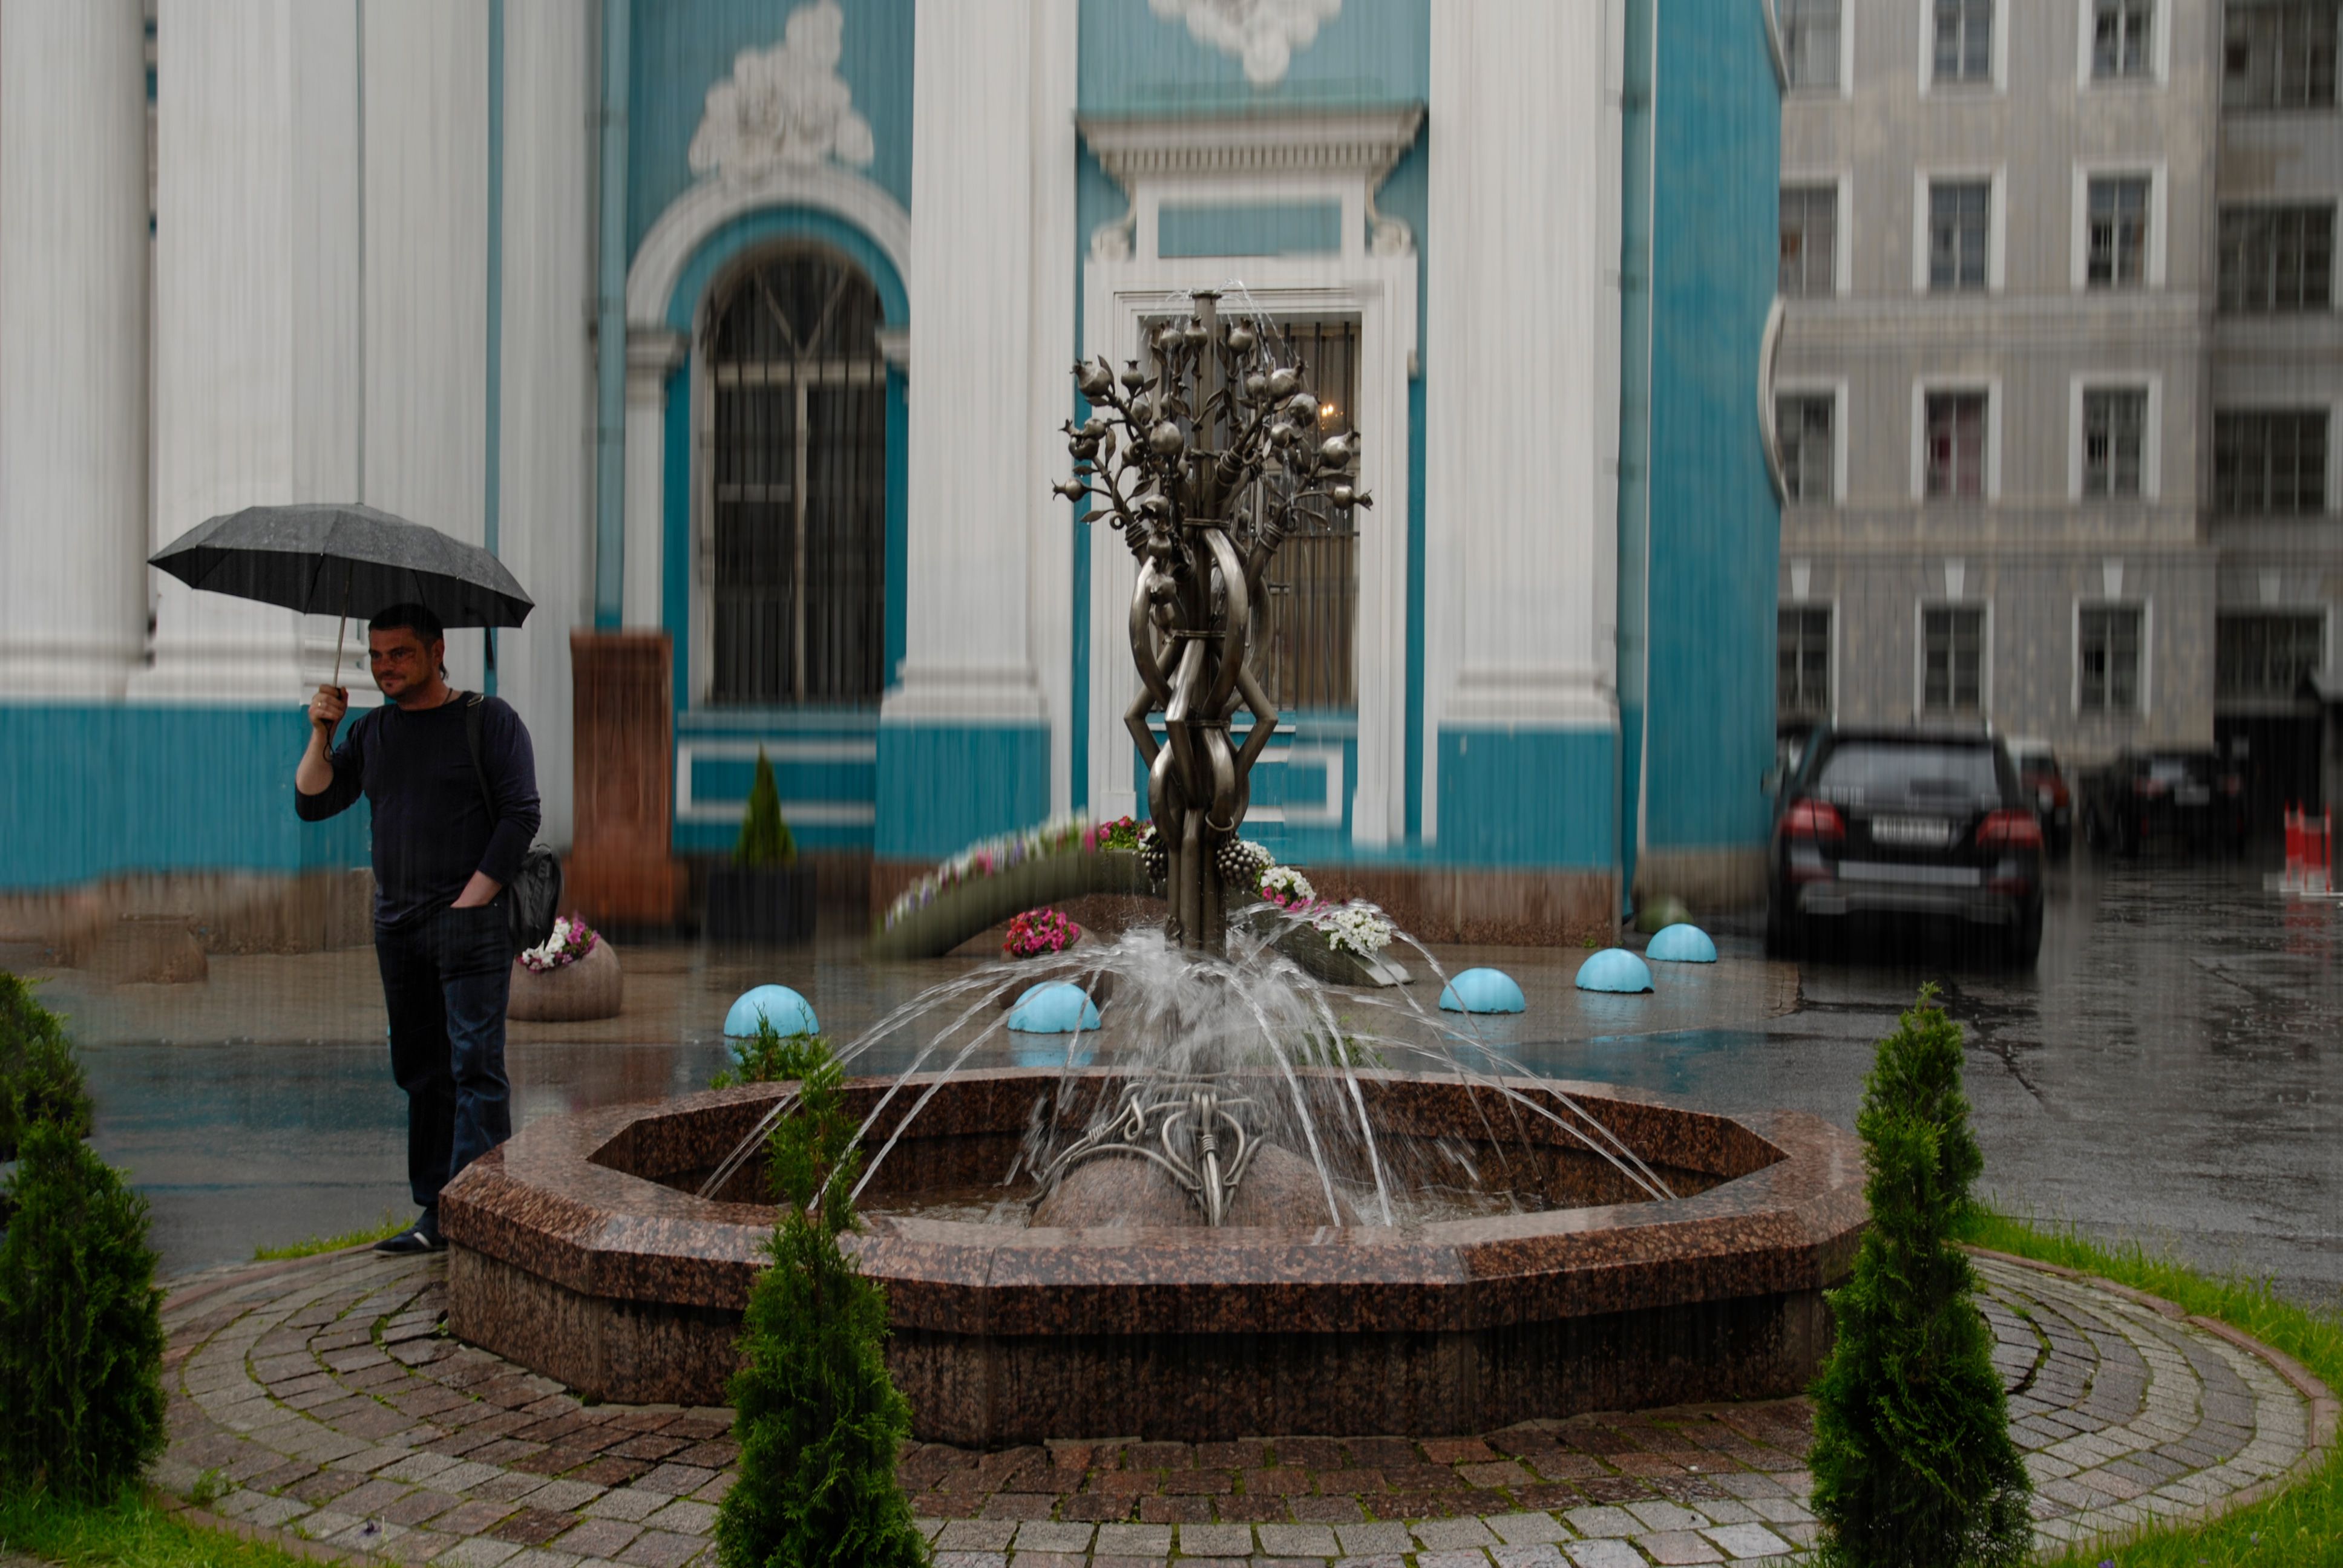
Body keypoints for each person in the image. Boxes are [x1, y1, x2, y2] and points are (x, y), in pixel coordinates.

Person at [296, 604, 540, 1254]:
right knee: (422, 1073)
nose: (385, 668)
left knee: (475, 1067)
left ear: (437, 652)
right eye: (376, 656)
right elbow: (313, 800)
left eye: (399, 654)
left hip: (471, 924)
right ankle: (435, 1212)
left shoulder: (488, 720)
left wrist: (470, 902)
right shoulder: (373, 732)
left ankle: (482, 1210)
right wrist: (321, 733)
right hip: (398, 928)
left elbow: (520, 815)